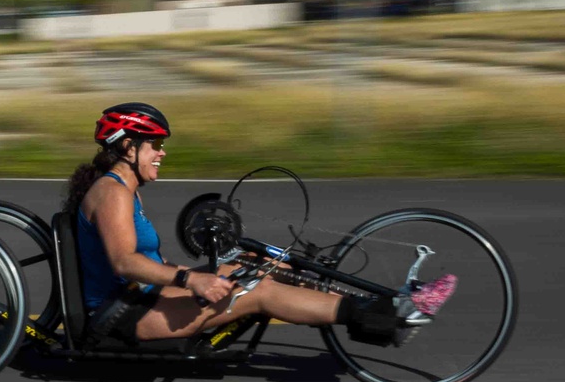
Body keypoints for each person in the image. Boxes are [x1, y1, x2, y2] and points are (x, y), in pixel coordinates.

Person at [62, 102, 453, 346]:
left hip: (145, 297)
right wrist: (192, 279)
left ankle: (382, 311)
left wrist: (201, 271)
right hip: (125, 315)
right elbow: (125, 263)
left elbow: (146, 265)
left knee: (259, 265)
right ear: (128, 147)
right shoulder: (112, 193)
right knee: (260, 292)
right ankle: (391, 314)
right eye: (155, 145)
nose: (162, 153)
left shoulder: (125, 191)